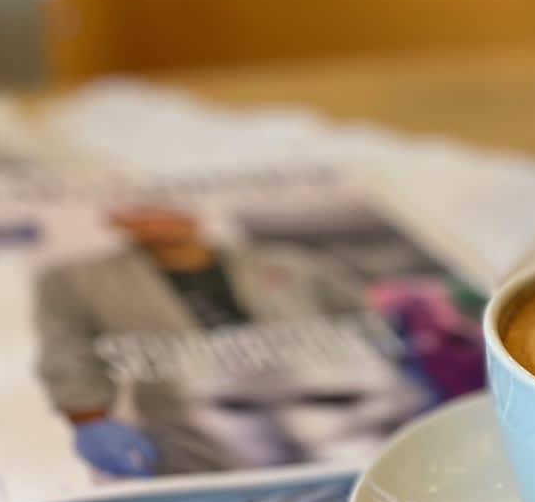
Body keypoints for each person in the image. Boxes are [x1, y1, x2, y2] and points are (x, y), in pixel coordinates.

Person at [34, 200, 373, 471]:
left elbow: (366, 318)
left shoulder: (292, 263)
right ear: (118, 218)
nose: (160, 216)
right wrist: (88, 418)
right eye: (144, 208)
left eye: (168, 204)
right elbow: (68, 347)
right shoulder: (77, 280)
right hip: (191, 430)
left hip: (325, 410)